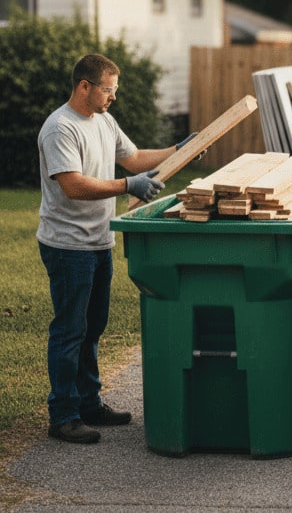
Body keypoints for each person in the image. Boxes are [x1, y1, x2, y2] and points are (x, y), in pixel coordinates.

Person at [37, 53, 195, 444]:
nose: (113, 97)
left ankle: (88, 403)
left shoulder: (104, 121)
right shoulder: (60, 128)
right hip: (67, 244)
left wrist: (182, 148)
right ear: (84, 87)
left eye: (115, 90)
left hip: (98, 240)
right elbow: (73, 185)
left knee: (93, 327)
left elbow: (135, 158)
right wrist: (129, 186)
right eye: (108, 90)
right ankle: (63, 414)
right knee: (70, 329)